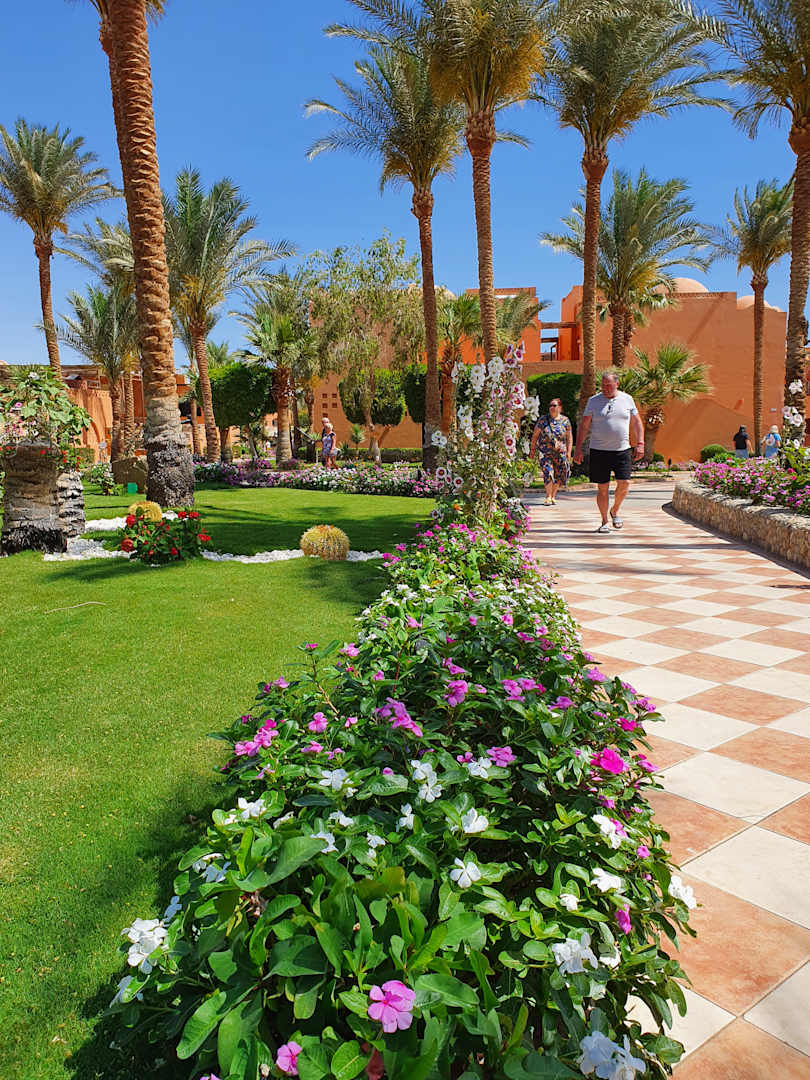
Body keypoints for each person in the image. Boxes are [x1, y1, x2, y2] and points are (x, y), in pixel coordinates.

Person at [573, 370, 644, 533]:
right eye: (603, 385)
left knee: (624, 483)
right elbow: (584, 425)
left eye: (609, 385)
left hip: (622, 450)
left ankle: (615, 511)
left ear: (617, 384)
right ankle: (604, 520)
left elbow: (636, 423)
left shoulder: (627, 399)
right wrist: (578, 448)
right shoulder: (593, 401)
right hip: (599, 451)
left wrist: (640, 443)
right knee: (602, 487)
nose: (605, 388)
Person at [529, 398, 572, 506]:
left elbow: (569, 438)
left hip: (560, 453)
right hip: (545, 452)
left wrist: (569, 452)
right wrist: (532, 451)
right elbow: (535, 436)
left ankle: (553, 496)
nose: (551, 407)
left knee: (558, 474)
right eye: (550, 406)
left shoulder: (565, 421)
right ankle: (548, 496)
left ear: (560, 408)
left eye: (554, 405)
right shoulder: (543, 420)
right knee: (548, 472)